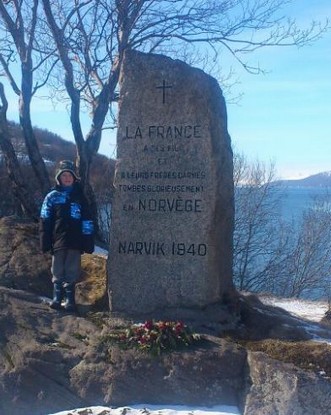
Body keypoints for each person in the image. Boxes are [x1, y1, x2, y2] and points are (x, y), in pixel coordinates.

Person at [39, 160, 94, 311]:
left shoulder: (80, 198)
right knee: (57, 269)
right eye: (64, 175)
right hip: (58, 240)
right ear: (58, 178)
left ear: (75, 178)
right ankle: (57, 297)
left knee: (72, 269)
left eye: (70, 175)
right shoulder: (52, 197)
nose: (67, 178)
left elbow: (87, 220)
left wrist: (88, 241)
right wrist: (45, 241)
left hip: (75, 242)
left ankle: (70, 299)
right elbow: (44, 220)